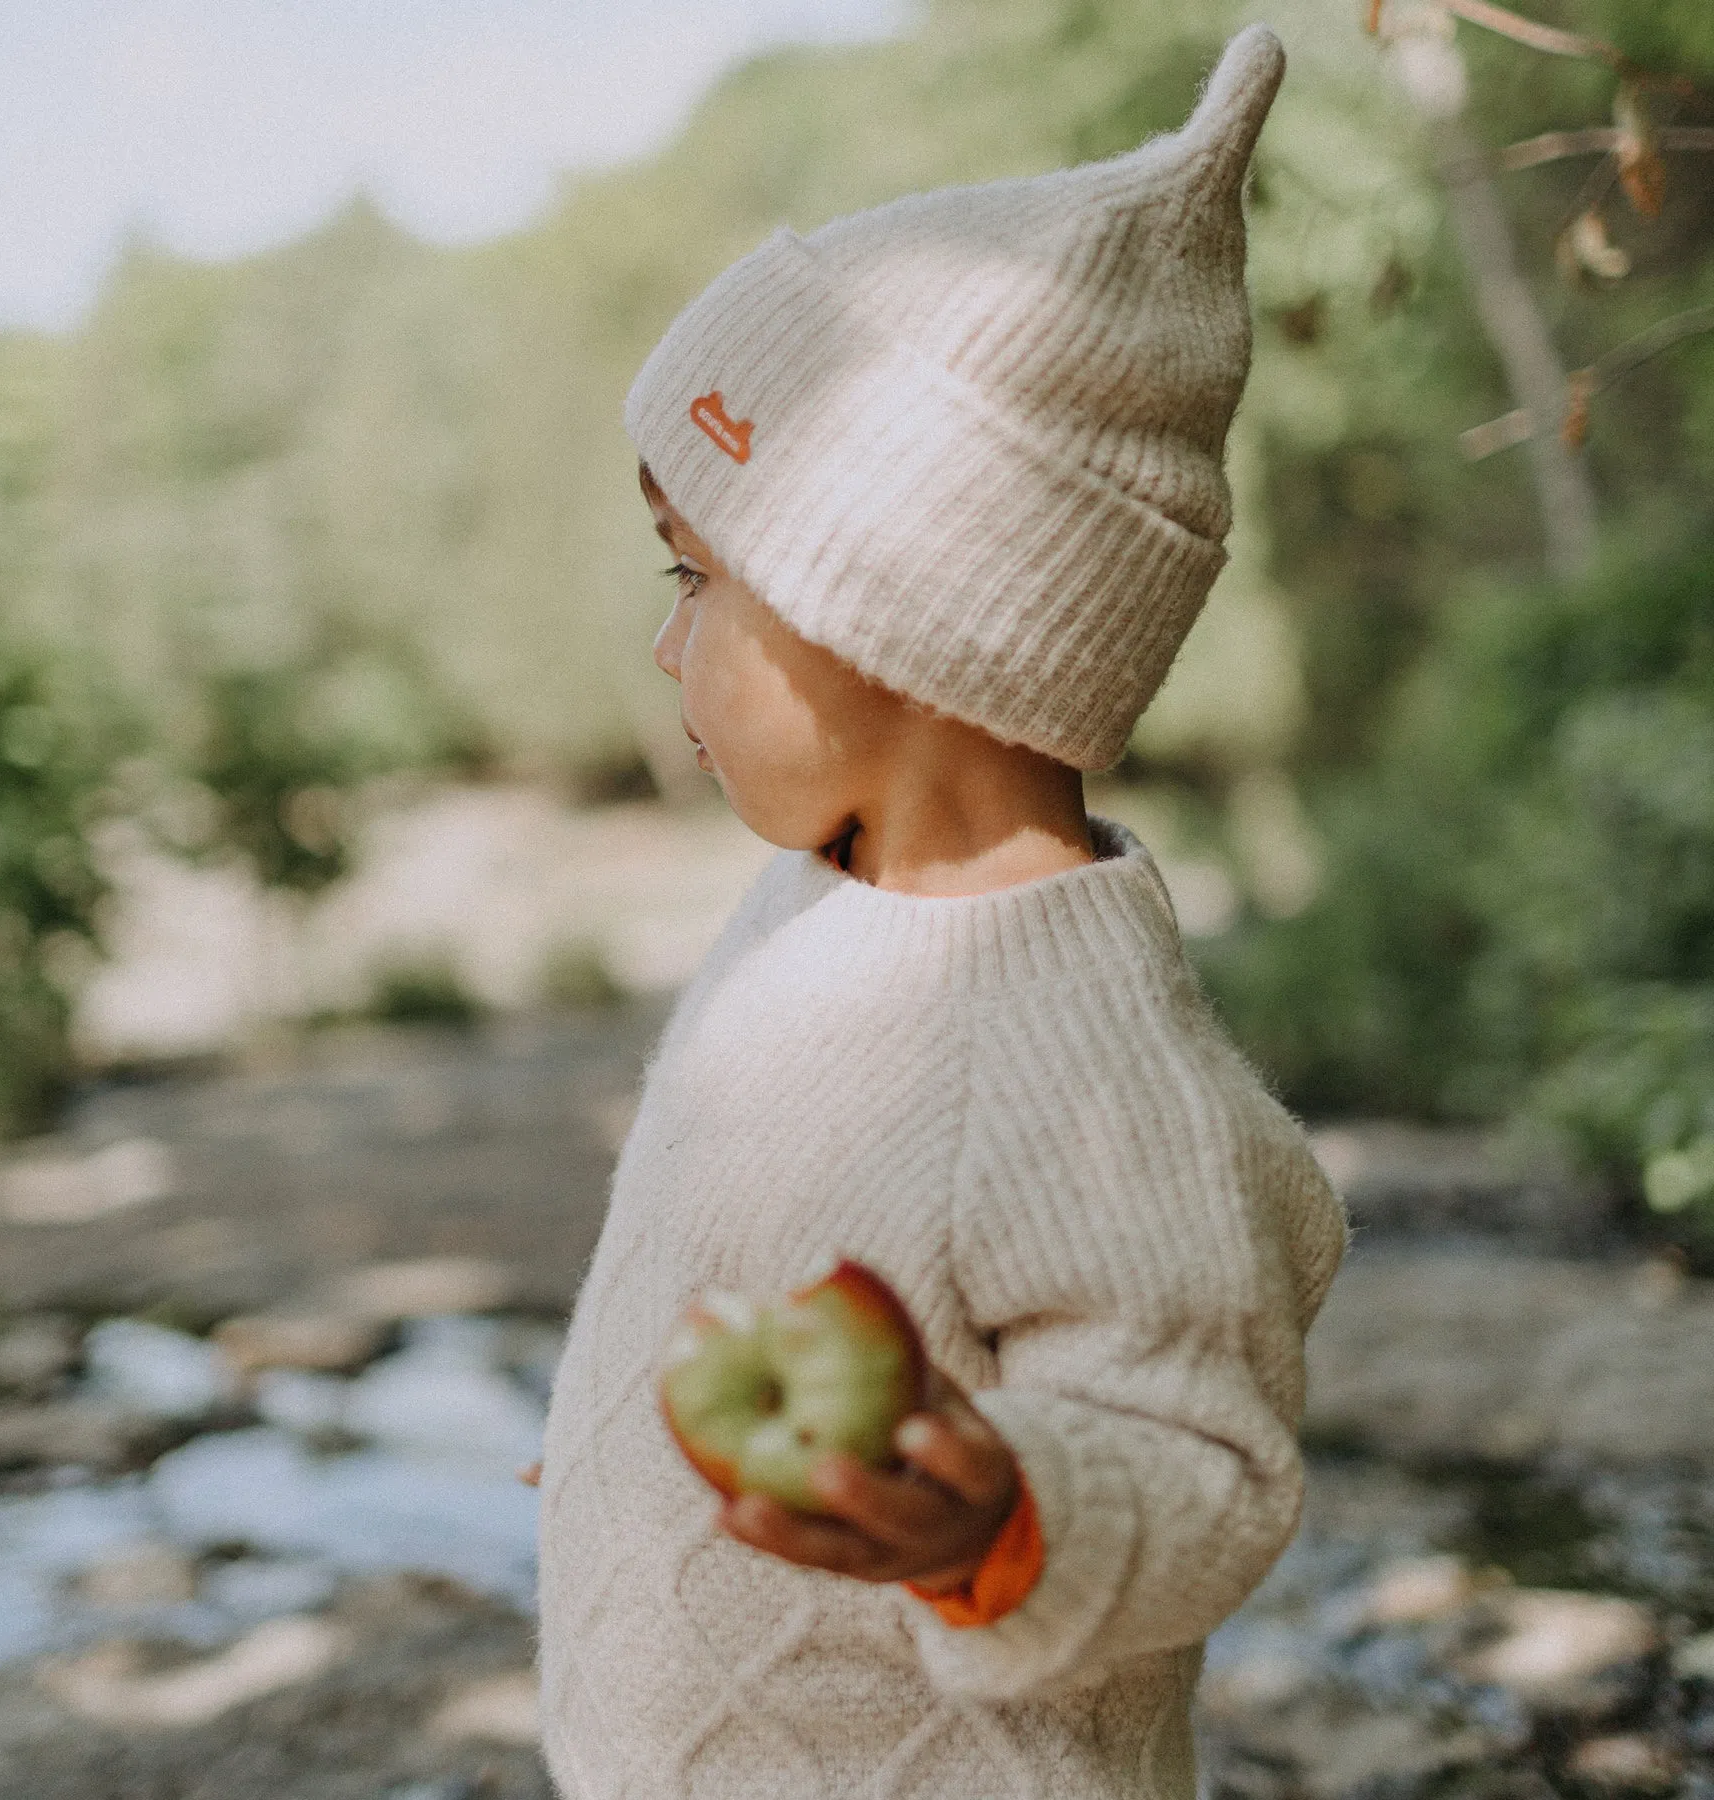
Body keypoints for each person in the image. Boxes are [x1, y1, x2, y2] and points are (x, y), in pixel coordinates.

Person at [534, 24, 1349, 1799]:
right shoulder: (802, 911)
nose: (666, 641)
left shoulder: (1091, 1063)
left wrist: (1000, 1508)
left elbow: (1206, 1464)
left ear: (897, 608)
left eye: (698, 574)